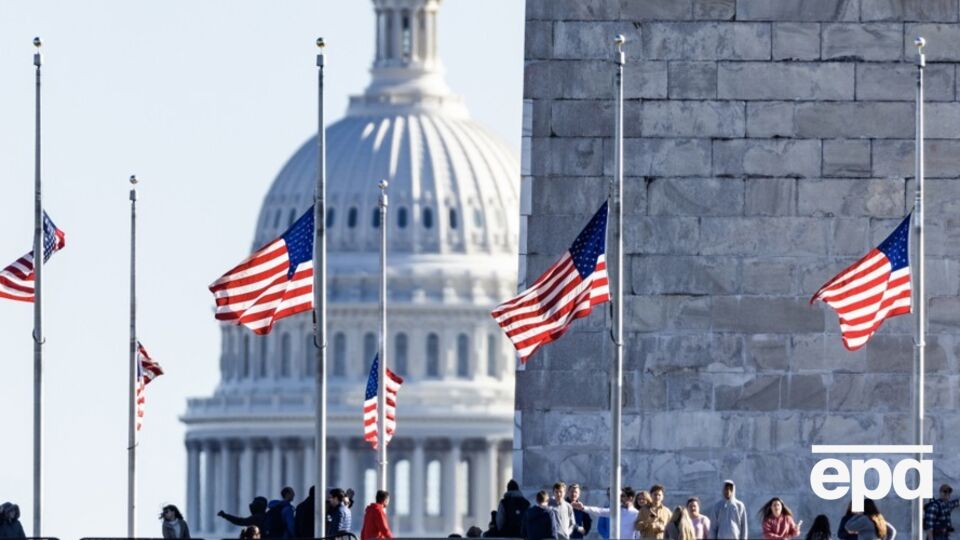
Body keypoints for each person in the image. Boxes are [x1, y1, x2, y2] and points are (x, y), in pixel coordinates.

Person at [573, 486, 639, 540]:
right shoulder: (616, 510)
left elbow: (639, 533)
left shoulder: (636, 514)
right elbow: (600, 511)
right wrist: (583, 508)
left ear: (630, 498)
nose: (620, 498)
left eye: (623, 496)